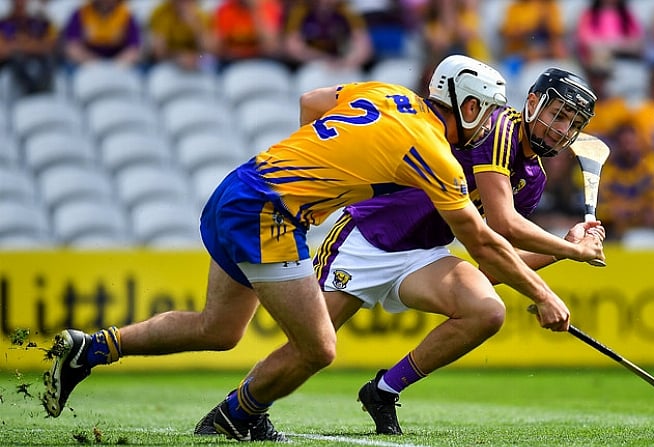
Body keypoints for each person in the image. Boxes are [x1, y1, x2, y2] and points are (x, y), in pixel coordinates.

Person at [43, 55, 575, 442]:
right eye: (488, 111)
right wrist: (547, 292)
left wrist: (325, 174)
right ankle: (235, 419)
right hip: (270, 215)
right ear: (470, 104)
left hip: (237, 188)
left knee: (218, 329)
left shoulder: (386, 93)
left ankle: (90, 349)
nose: (490, 124)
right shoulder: (434, 152)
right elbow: (483, 238)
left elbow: (311, 102)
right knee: (319, 347)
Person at [194, 65, 606, 436]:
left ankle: (384, 389)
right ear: (532, 102)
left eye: (571, 122)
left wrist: (564, 248)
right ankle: (236, 410)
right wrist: (566, 263)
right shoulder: (499, 128)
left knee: (487, 310)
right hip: (367, 239)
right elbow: (501, 224)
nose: (559, 127)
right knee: (310, 345)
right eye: (557, 113)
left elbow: (493, 259)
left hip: (424, 254)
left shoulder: (532, 179)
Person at [283, 0, 374, 71]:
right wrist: (323, 59)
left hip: (343, 63)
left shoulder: (347, 10)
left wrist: (347, 62)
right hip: (309, 64)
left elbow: (364, 47)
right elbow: (293, 47)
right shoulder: (300, 10)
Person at [61, 0, 143, 69]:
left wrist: (116, 65)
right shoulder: (81, 13)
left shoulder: (126, 15)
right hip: (85, 63)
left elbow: (134, 48)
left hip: (119, 62)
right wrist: (93, 63)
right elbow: (72, 46)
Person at [0, 0, 58, 97]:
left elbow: (52, 46)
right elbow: (2, 50)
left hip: (40, 65)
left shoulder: (42, 22)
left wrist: (22, 45)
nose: (21, 3)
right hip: (13, 68)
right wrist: (24, 46)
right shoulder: (4, 24)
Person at [146, 0, 217, 72]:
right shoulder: (161, 13)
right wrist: (178, 56)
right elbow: (158, 52)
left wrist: (195, 25)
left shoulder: (202, 15)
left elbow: (210, 50)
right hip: (169, 63)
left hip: (197, 62)